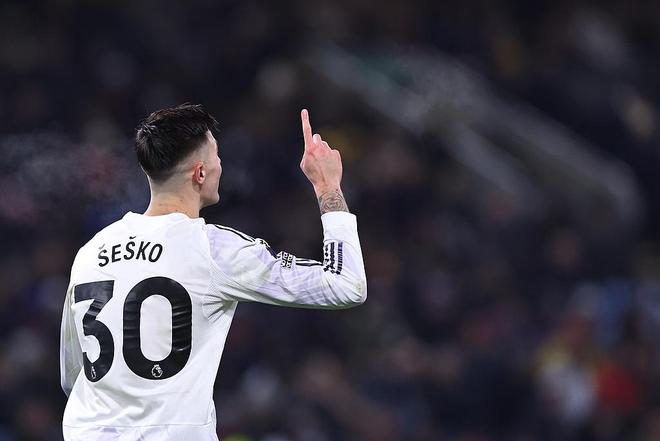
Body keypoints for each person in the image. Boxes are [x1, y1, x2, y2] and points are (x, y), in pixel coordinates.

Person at [59, 104, 367, 440]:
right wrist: (327, 186)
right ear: (200, 173)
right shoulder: (213, 250)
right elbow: (344, 284)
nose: (221, 164)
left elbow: (74, 376)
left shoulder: (91, 252)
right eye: (217, 155)